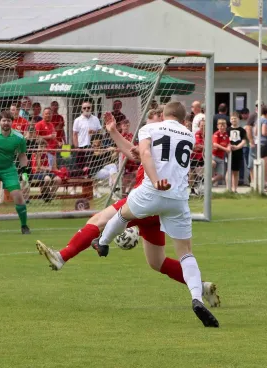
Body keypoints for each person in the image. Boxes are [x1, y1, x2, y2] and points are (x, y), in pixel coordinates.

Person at [35, 107, 220, 310]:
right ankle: (201, 287)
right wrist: (114, 131)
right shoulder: (162, 146)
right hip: (161, 209)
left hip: (144, 200)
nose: (151, 124)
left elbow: (143, 154)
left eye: (153, 120)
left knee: (97, 221)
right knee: (156, 262)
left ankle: (62, 256)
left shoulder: (153, 144)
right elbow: (135, 153)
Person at [91, 101, 219, 327]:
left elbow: (147, 155)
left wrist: (154, 178)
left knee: (123, 214)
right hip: (178, 199)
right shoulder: (189, 135)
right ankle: (197, 298)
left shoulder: (150, 128)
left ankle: (103, 242)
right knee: (186, 252)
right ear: (182, 118)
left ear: (163, 115)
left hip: (153, 190)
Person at [227, 112, 246, 193]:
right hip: (229, 152)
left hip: (238, 152)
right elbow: (225, 140)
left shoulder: (242, 130)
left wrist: (237, 147)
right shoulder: (228, 130)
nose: (234, 120)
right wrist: (229, 146)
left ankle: (235, 188)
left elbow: (244, 141)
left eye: (235, 118)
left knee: (236, 171)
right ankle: (228, 188)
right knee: (228, 170)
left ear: (238, 119)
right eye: (232, 119)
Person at [212, 118, 230, 187]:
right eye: (220, 126)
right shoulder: (216, 134)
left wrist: (228, 147)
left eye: (223, 126)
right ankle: (207, 184)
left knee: (221, 175)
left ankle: (211, 181)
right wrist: (225, 149)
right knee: (211, 169)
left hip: (221, 157)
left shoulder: (226, 135)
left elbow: (228, 143)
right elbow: (215, 144)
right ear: (217, 126)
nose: (222, 127)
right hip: (214, 156)